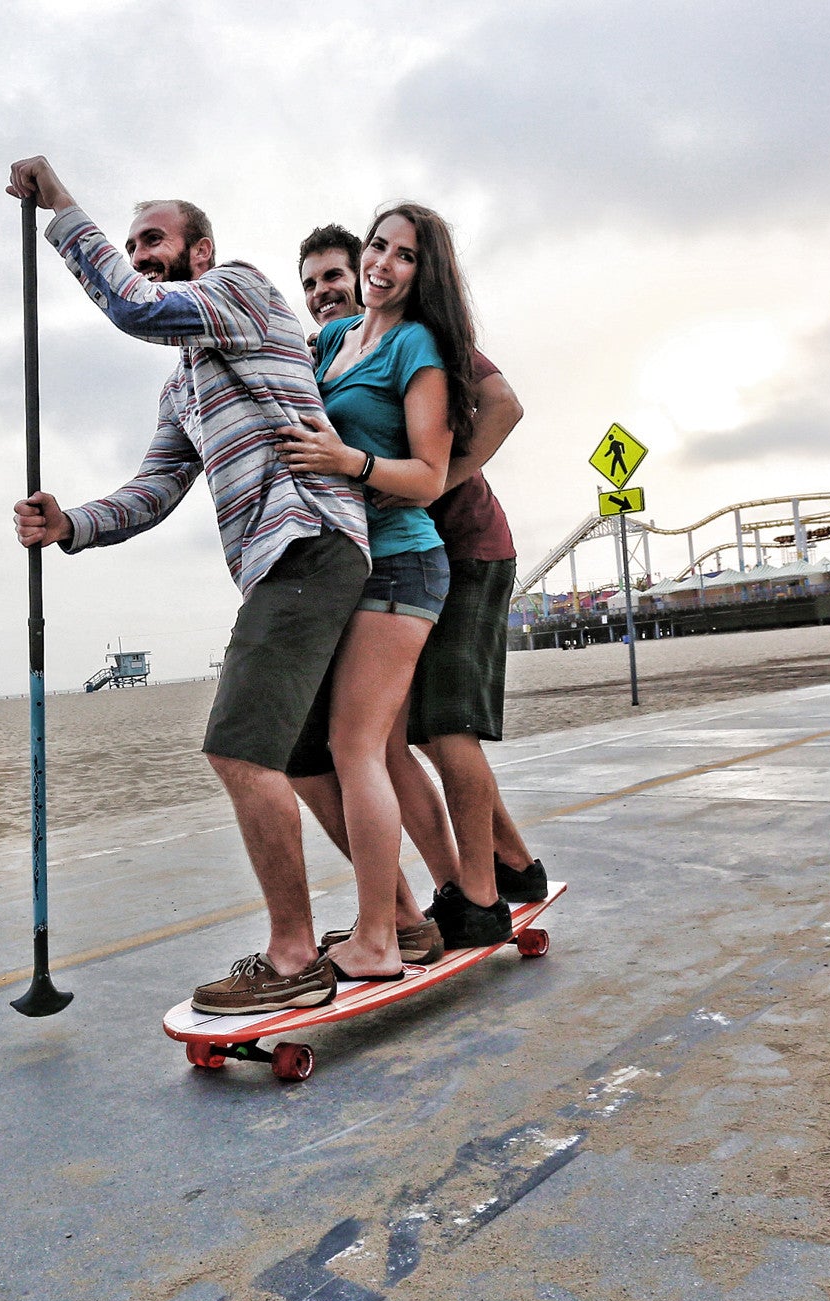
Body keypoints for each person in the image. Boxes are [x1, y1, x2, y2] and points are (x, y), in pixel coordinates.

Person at [5, 157, 374, 1015]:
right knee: (301, 756)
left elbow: (134, 307)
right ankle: (398, 918)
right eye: (131, 244)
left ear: (200, 251)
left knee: (238, 746)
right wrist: (70, 524)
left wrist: (61, 206)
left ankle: (293, 957)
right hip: (282, 561)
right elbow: (156, 489)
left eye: (153, 240)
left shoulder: (241, 290)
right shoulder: (183, 384)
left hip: (308, 536)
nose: (139, 255)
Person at [289, 214, 547, 961]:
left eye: (333, 276)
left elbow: (504, 406)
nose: (325, 291)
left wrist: (437, 482)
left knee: (445, 728)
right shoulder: (336, 344)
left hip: (464, 547)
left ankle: (481, 897)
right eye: (311, 284)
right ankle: (512, 865)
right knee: (402, 737)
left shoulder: (421, 337)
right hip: (383, 557)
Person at [271, 203, 472, 981]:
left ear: (425, 272)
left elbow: (428, 475)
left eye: (404, 255)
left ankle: (380, 939)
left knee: (356, 748)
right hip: (347, 567)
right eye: (379, 246)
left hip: (402, 563)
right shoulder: (335, 340)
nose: (383, 264)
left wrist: (349, 462)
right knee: (339, 749)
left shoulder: (416, 345)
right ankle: (397, 923)